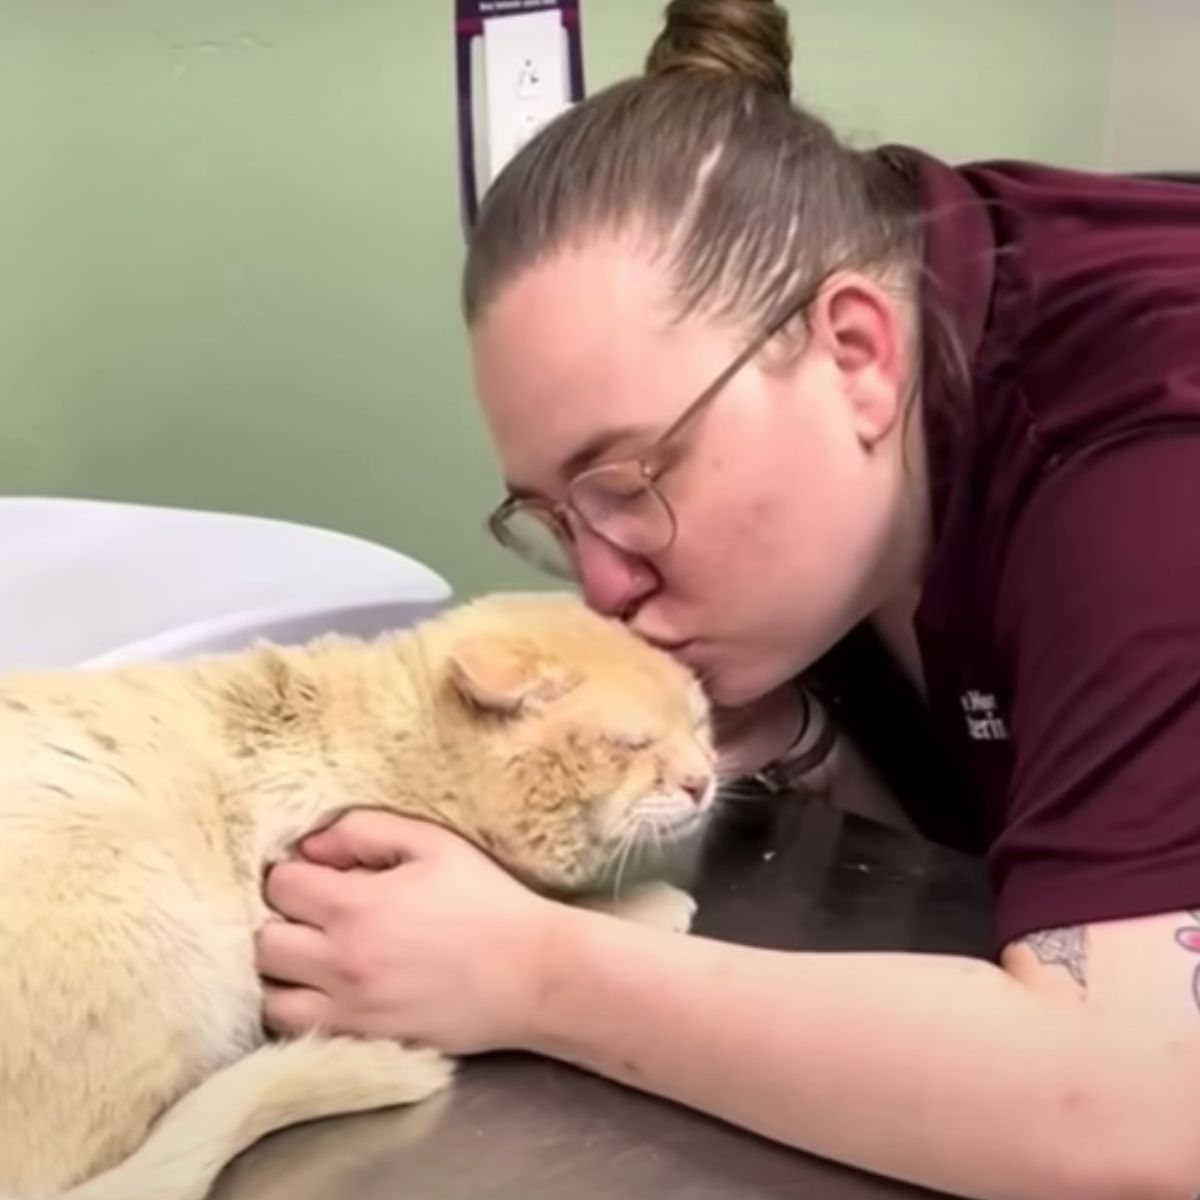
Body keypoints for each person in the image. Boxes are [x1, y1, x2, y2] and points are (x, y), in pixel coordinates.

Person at [256, 1, 1200, 1195]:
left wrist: (534, 974)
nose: (605, 582)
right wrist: (806, 743)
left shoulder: (1142, 463)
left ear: (854, 351)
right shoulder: (875, 369)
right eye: (556, 519)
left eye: (628, 483)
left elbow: (1140, 1110)